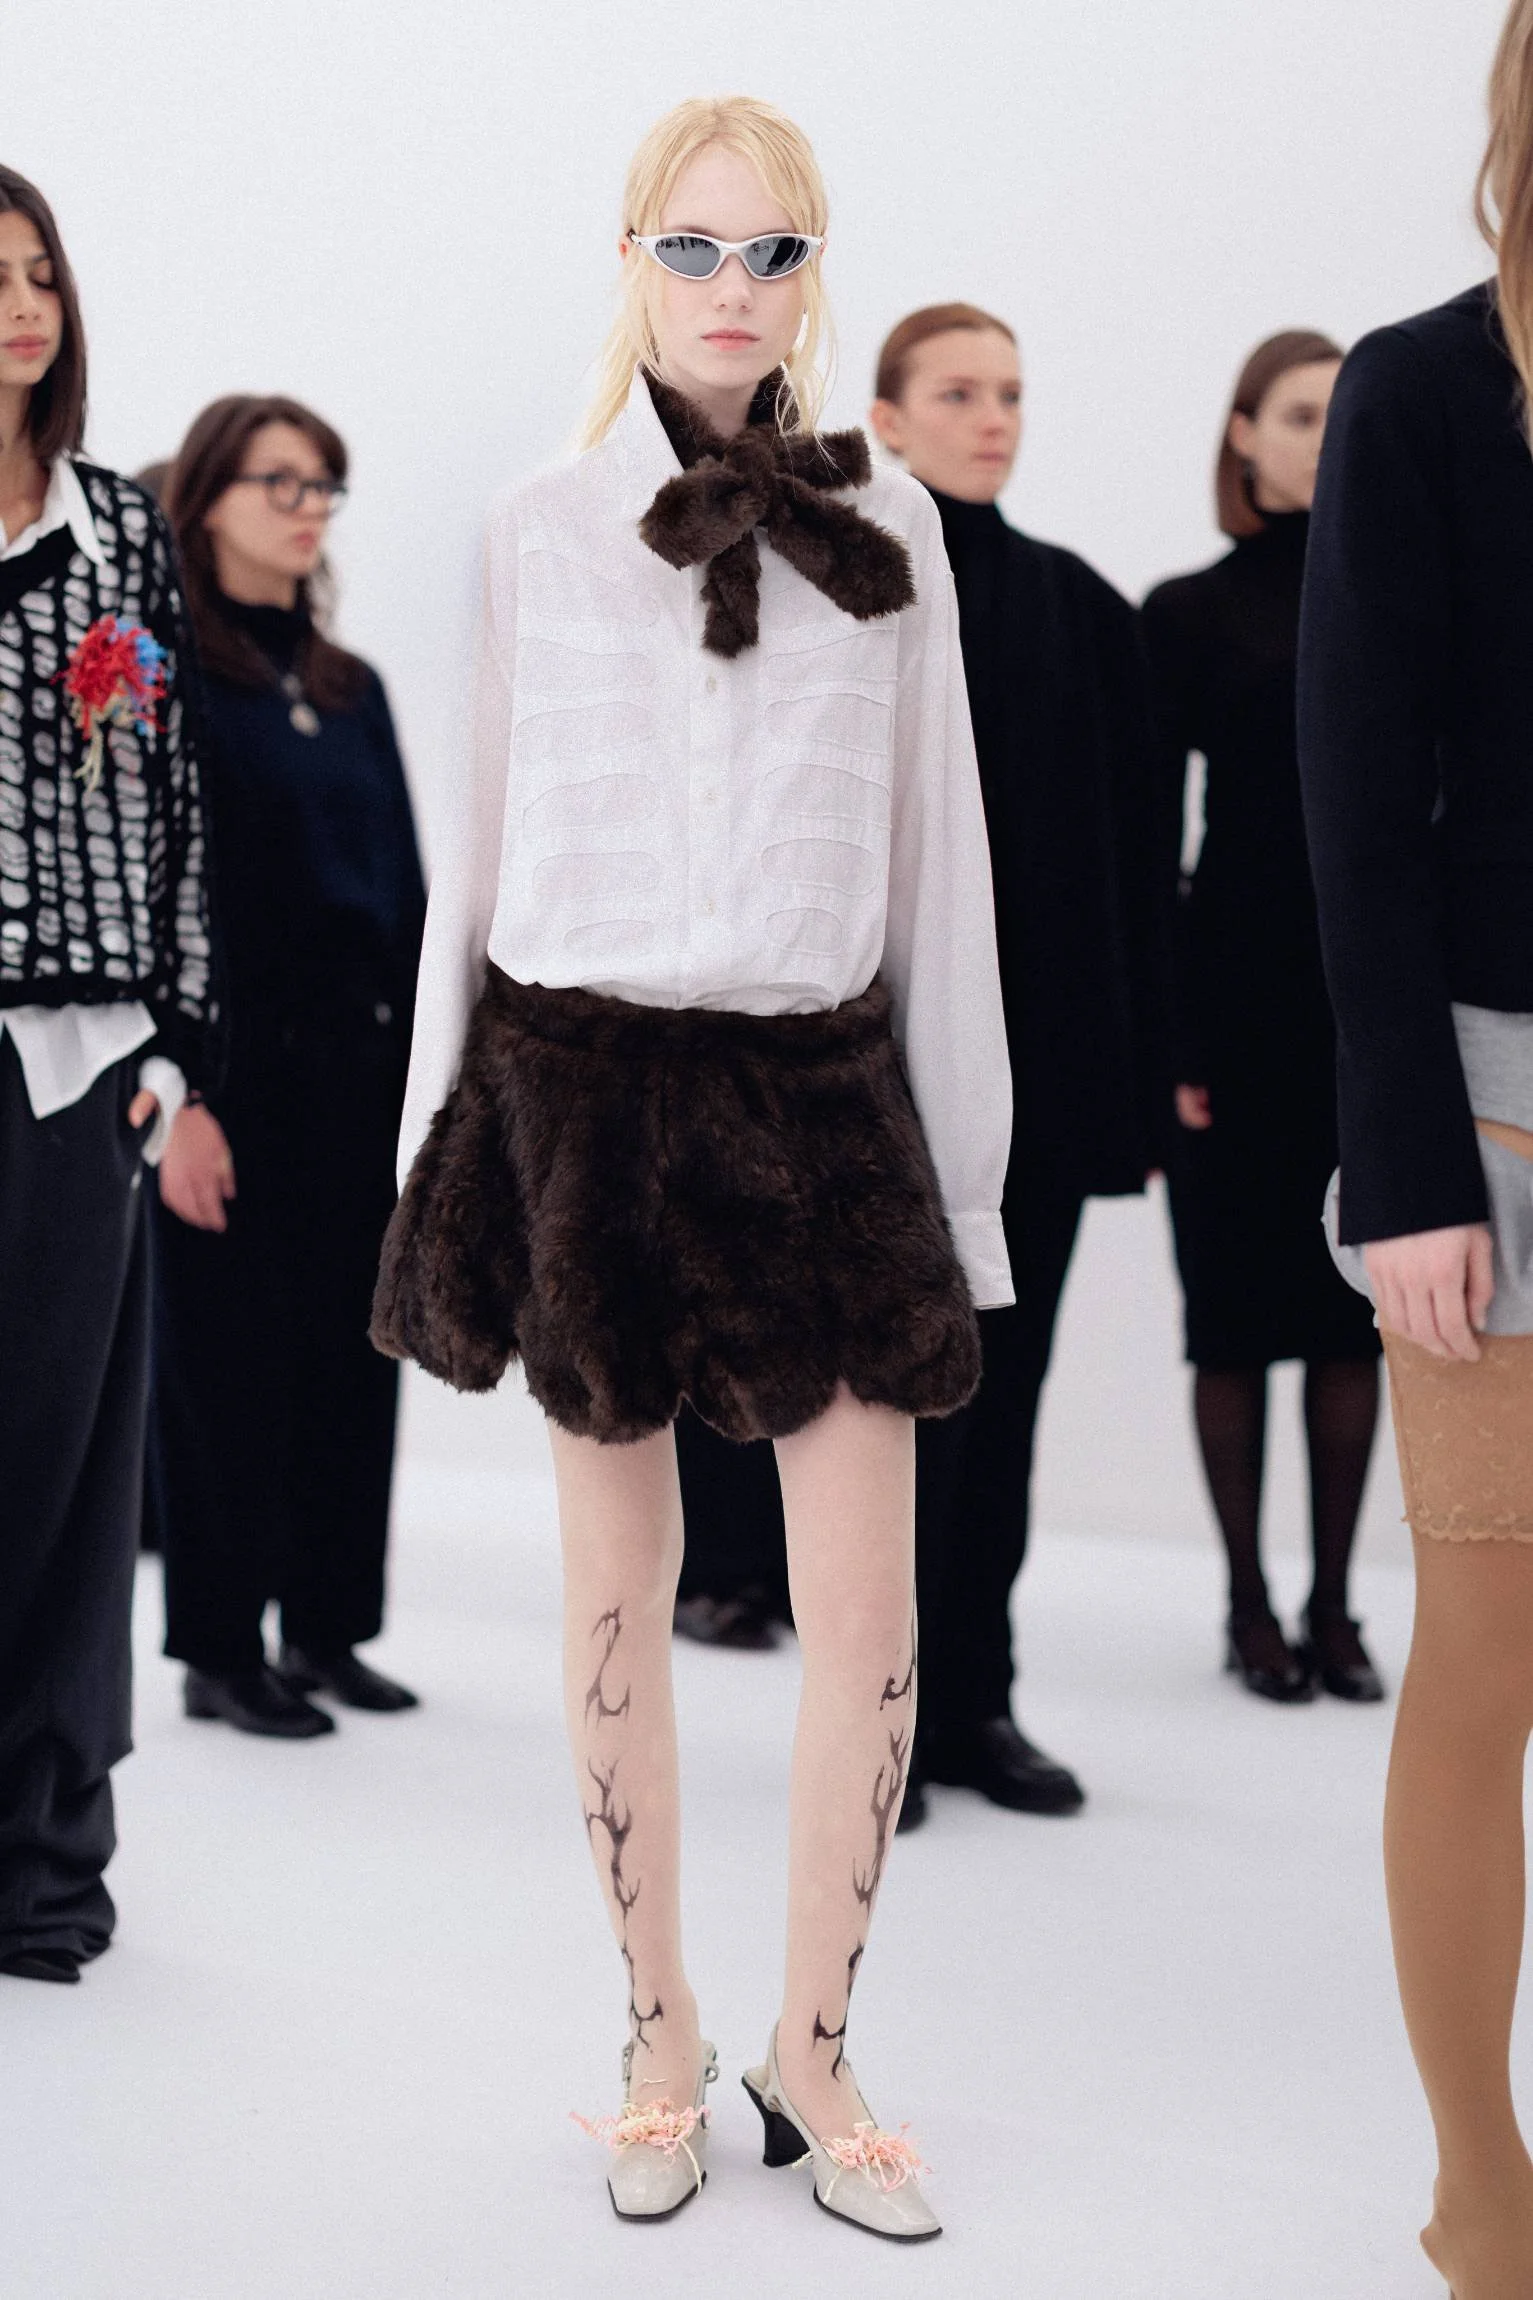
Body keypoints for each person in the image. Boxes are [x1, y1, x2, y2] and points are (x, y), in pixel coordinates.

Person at [371, 96, 1010, 2239]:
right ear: (631, 256)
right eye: (695, 247)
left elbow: (937, 874)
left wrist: (968, 1186)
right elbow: (475, 860)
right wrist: (439, 1164)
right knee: (611, 1596)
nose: (734, 290)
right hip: (588, 1098)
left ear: (817, 273)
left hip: (821, 1102)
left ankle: (812, 2052)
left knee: (872, 1614)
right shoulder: (537, 529)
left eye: (775, 253)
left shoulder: (894, 530)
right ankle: (657, 2032)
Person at [671, 305, 1171, 1840]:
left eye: (1010, 391)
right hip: (862, 1075)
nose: (994, 417)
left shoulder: (1087, 612)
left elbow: (1137, 869)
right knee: (877, 1411)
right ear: (884, 418)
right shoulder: (838, 586)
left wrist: (1137, 1076)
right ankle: (874, 1722)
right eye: (959, 392)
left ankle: (976, 1703)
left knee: (1003, 1402)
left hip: (1049, 1075)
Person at [1297, 6, 1533, 2286]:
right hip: (1497, 1111)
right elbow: (1355, 810)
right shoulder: (1424, 389)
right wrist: (1403, 1168)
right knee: (1486, 1661)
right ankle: (1485, 2195)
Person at [0, 169, 219, 1983]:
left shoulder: (120, 534)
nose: (21, 306)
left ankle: (40, 1861)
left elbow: (163, 790)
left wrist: (175, 1040)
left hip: (76, 1063)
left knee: (64, 1472)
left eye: (39, 275)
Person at [152, 396, 425, 1736]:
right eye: (280, 481)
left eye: (324, 483)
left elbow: (408, 890)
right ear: (206, 499)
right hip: (233, 1072)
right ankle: (221, 1647)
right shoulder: (167, 676)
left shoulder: (347, 687)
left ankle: (326, 1627)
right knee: (228, 1366)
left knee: (354, 1354)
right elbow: (153, 897)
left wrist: (436, 1086)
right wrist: (179, 1100)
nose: (309, 505)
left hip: (361, 1075)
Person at [1143, 333, 1385, 1707]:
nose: (1326, 434)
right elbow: (1150, 846)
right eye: (1301, 413)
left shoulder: (1400, 599)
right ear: (1244, 434)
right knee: (1232, 1322)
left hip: (1366, 1009)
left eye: (1345, 412)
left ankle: (1335, 1606)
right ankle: (1247, 1604)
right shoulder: (1186, 612)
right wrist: (1173, 1041)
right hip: (1232, 1016)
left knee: (1355, 1319)